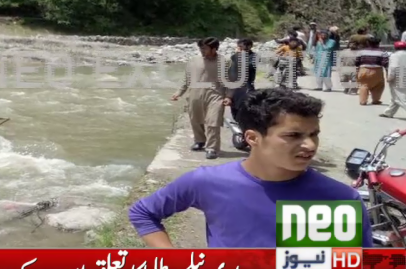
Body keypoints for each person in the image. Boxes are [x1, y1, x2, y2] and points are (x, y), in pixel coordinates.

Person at [128, 87, 374, 248]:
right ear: (253, 138)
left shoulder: (337, 198)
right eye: (293, 135)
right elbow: (143, 213)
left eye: (314, 134)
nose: (309, 145)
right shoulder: (208, 182)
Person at [171, 37, 232, 160]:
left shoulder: (225, 61)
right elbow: (187, 79)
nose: (202, 51)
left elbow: (230, 81)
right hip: (195, 93)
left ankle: (212, 148)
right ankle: (200, 141)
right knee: (195, 119)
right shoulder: (194, 60)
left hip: (215, 94)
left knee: (213, 121)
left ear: (214, 49)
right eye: (200, 48)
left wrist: (229, 96)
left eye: (204, 48)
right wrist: (179, 92)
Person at [227, 38, 256, 121]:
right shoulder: (236, 56)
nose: (239, 49)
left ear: (249, 46)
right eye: (238, 47)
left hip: (247, 85)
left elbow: (249, 66)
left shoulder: (254, 56)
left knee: (246, 106)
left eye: (241, 46)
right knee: (234, 105)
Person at [355, 36, 388, 105]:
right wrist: (387, 72)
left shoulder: (361, 52)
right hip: (377, 71)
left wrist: (357, 71)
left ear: (368, 43)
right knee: (378, 85)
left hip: (363, 70)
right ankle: (376, 100)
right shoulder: (382, 52)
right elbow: (385, 63)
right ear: (378, 43)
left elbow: (357, 62)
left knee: (364, 85)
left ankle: (363, 101)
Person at [381, 41, 406, 118]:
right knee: (395, 96)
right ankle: (389, 112)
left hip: (399, 75)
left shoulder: (394, 56)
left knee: (400, 97)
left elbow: (393, 67)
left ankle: (389, 112)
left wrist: (390, 77)